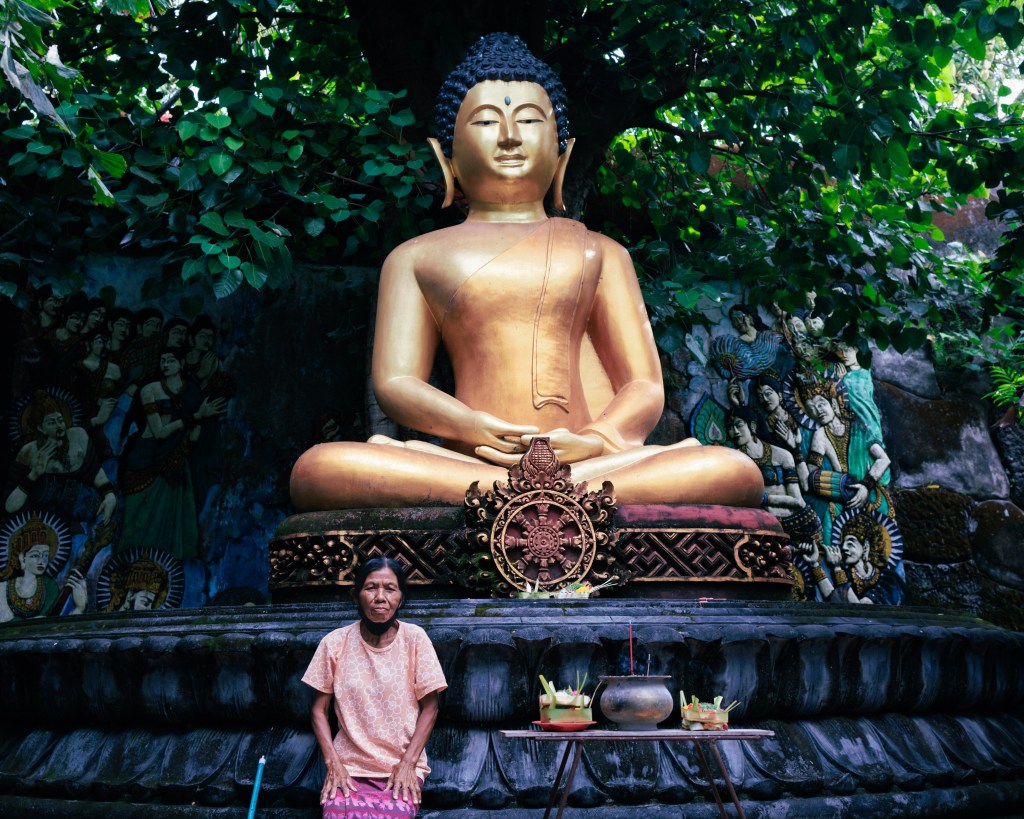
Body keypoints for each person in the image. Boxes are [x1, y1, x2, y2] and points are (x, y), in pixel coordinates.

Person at [290, 33, 762, 510]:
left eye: (531, 120)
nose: (510, 137)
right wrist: (468, 425)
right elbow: (396, 383)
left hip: (580, 463)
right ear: (445, 156)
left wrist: (595, 440)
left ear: (562, 153)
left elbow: (643, 386)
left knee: (731, 470)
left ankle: (519, 496)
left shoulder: (600, 252)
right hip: (473, 462)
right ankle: (542, 495)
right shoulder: (415, 258)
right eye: (486, 121)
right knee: (323, 469)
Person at [302, 557, 447, 818]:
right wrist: (333, 764)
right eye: (371, 588)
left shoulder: (415, 639)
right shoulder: (334, 643)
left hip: (400, 766)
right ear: (355, 596)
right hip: (349, 768)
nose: (380, 597)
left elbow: (431, 707)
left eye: (390, 589)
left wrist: (408, 764)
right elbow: (318, 710)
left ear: (401, 598)